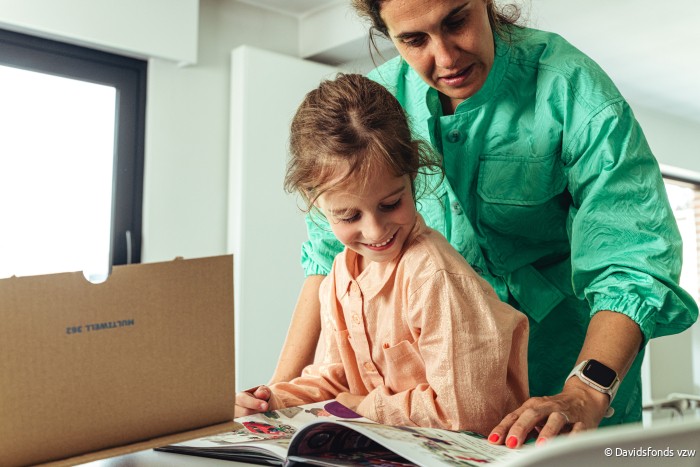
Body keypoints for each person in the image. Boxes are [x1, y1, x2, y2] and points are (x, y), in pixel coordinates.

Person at [270, 0, 699, 450]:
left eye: (456, 21)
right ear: (387, 34)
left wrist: (586, 389)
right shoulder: (376, 110)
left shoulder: (569, 88)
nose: (447, 58)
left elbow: (630, 258)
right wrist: (275, 394)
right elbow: (324, 258)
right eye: (414, 40)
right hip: (427, 424)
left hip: (569, 375)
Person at [236, 73, 529, 434]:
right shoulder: (340, 277)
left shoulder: (433, 277)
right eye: (349, 215)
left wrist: (366, 407)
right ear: (316, 206)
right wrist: (271, 399)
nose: (376, 231)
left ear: (413, 178)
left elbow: (469, 410)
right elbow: (331, 380)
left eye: (391, 204)